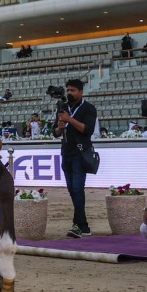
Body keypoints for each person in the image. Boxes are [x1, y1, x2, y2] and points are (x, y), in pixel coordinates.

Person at [55, 78, 97, 238]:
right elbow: (55, 132)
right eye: (68, 90)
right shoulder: (62, 107)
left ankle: (79, 225)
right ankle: (82, 225)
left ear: (81, 92)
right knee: (72, 190)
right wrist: (59, 128)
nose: (69, 93)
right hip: (66, 151)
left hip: (81, 153)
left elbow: (88, 130)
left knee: (78, 189)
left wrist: (69, 120)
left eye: (73, 90)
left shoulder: (89, 108)